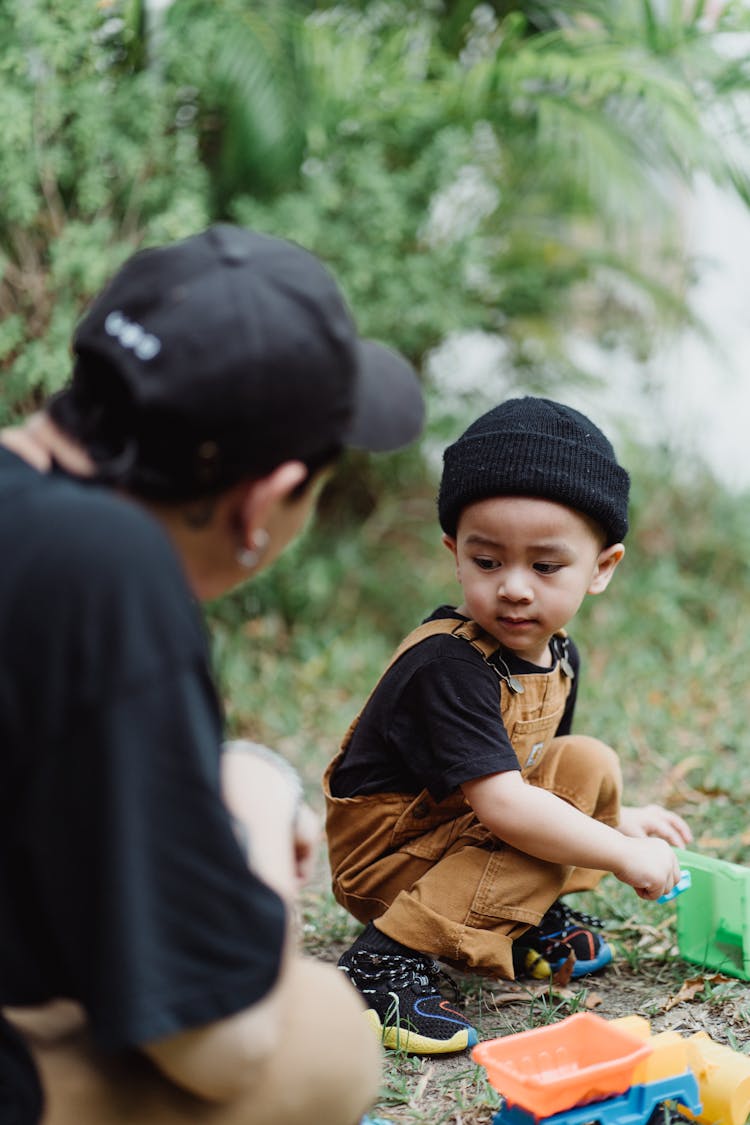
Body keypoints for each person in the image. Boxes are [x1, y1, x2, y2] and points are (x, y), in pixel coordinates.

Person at [0, 223, 424, 1124]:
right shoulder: (106, 572)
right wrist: (259, 801)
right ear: (261, 503)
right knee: (322, 1038)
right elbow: (221, 1043)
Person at [324, 396, 693, 1057]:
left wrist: (619, 816)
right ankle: (379, 963)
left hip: (451, 833)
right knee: (524, 823)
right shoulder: (449, 663)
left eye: (545, 565)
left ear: (601, 567)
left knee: (587, 763)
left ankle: (523, 921)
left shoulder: (558, 655)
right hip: (386, 860)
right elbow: (506, 804)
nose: (514, 588)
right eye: (487, 561)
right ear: (454, 551)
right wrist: (617, 850)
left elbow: (541, 773)